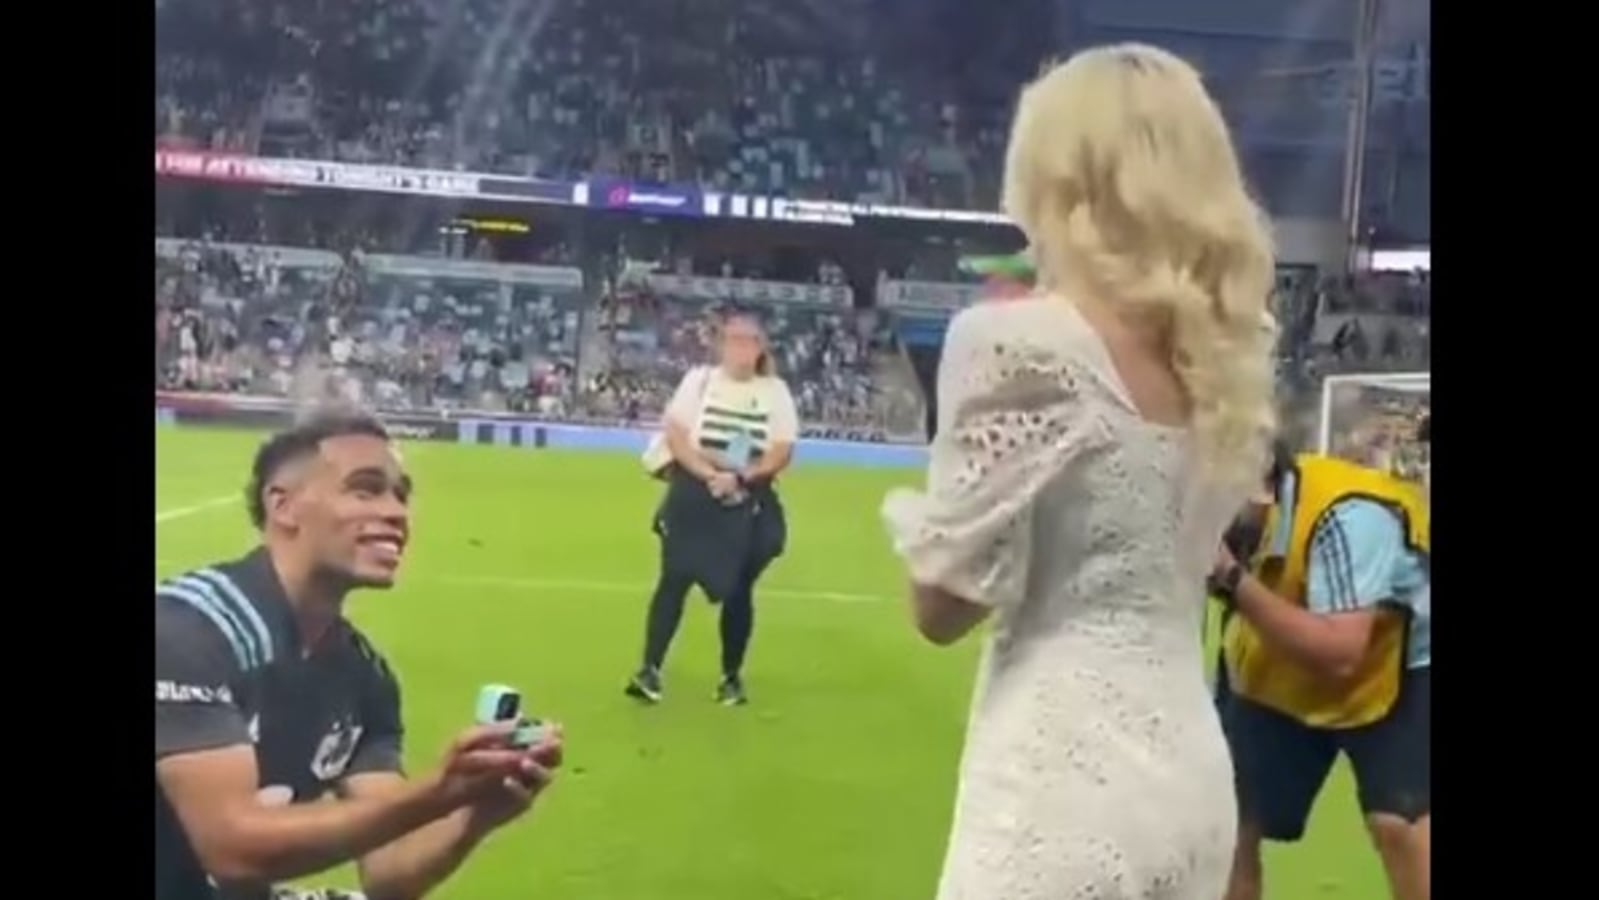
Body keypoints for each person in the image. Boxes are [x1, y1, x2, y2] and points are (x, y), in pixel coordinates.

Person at [880, 44, 1278, 899]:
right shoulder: (1228, 356)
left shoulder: (1019, 343)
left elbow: (942, 604)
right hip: (1192, 777)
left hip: (1059, 779)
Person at [156, 412, 566, 900]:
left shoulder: (363, 679)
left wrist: (473, 812)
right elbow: (231, 848)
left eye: (401, 495)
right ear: (282, 506)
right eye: (366, 489)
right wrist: (436, 792)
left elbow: (390, 875)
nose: (396, 513)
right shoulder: (186, 629)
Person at [1212, 438, 1430, 900]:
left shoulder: (1348, 515)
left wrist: (1231, 577)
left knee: (1400, 826)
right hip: (1279, 657)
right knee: (1223, 819)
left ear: (1260, 488)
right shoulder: (1224, 516)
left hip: (1398, 663)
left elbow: (1341, 652)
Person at [626, 311, 798, 706]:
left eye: (749, 340)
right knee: (674, 579)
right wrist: (708, 475)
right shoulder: (699, 381)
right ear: (721, 344)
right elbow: (678, 434)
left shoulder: (775, 391)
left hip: (748, 494)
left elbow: (781, 449)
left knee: (739, 589)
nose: (741, 348)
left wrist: (742, 478)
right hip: (694, 491)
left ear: (760, 349)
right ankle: (649, 670)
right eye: (734, 339)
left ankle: (731, 676)